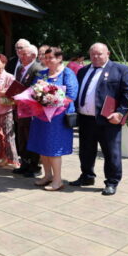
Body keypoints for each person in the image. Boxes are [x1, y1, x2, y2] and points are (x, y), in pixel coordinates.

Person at [71, 43, 128, 196]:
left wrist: (120, 113)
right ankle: (87, 176)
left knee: (111, 153)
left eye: (99, 54)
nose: (95, 57)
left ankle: (112, 182)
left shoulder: (120, 70)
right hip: (85, 119)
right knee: (86, 151)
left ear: (108, 53)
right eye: (92, 54)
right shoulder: (83, 70)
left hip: (108, 120)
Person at [27, 47, 79, 191]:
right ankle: (47, 176)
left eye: (51, 58)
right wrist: (38, 96)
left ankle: (57, 180)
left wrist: (51, 98)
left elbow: (71, 95)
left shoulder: (67, 73)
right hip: (41, 116)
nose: (48, 60)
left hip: (58, 118)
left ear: (59, 58)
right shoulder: (42, 73)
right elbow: (33, 90)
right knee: (42, 146)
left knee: (53, 148)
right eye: (46, 57)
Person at [12, 45, 43, 178]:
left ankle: (34, 166)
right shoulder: (20, 68)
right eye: (21, 54)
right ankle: (24, 163)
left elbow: (37, 88)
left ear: (33, 56)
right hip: (20, 108)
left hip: (31, 110)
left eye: (24, 54)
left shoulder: (38, 68)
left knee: (30, 136)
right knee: (21, 136)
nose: (21, 56)